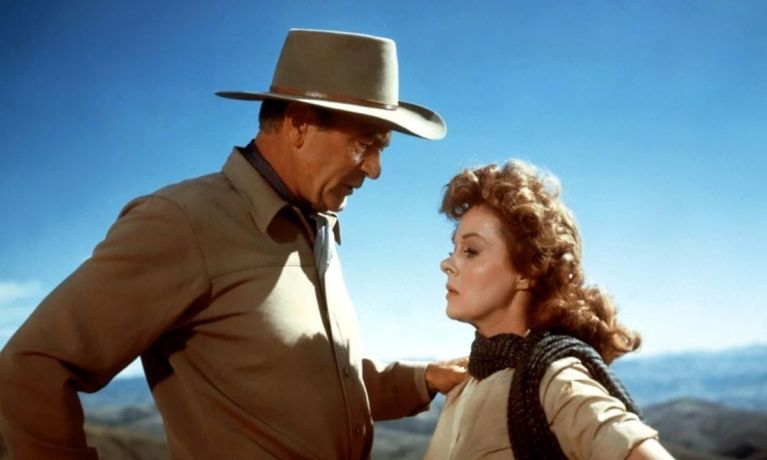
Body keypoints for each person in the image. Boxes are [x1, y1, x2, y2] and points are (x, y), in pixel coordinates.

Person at [0, 29, 467, 459]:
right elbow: (32, 366)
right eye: (365, 144)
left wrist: (423, 379)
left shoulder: (314, 225)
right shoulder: (181, 222)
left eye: (382, 148)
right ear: (299, 124)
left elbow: (305, 380)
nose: (375, 169)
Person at [424, 160, 674, 459]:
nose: (447, 263)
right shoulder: (468, 380)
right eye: (452, 249)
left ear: (528, 270)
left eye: (471, 251)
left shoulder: (554, 378)